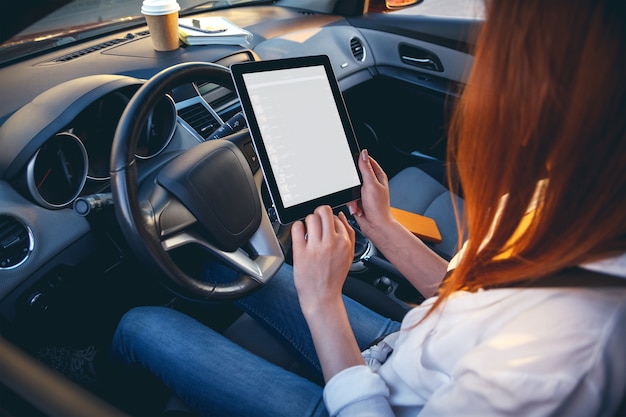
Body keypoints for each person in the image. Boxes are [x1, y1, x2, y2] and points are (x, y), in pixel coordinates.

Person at [110, 0, 626, 415]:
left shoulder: (564, 360)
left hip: (362, 402)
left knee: (141, 323)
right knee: (215, 263)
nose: (488, 81)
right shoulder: (564, 202)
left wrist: (323, 305)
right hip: (404, 344)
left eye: (505, 53)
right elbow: (461, 289)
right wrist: (381, 227)